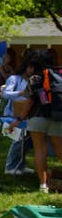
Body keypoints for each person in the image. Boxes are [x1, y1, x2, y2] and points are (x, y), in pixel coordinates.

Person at [25, 49, 62, 192]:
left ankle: (43, 185)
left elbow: (29, 101)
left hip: (37, 118)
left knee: (40, 150)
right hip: (57, 116)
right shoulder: (59, 76)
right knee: (60, 150)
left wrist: (20, 118)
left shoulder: (35, 78)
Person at [0, 57, 34, 175]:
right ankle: (10, 167)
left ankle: (20, 165)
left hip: (26, 114)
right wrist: (21, 93)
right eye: (30, 67)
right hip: (13, 115)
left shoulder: (33, 80)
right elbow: (5, 94)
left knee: (25, 141)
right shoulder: (14, 79)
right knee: (17, 140)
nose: (32, 70)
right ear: (25, 67)